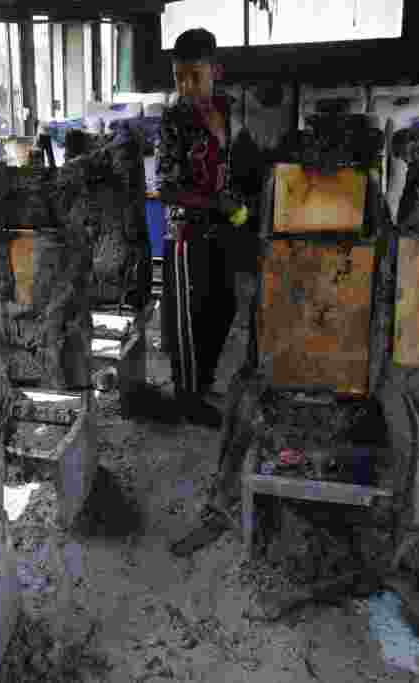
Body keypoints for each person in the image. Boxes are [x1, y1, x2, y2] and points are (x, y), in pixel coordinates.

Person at [156, 28, 249, 431]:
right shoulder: (174, 118)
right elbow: (167, 188)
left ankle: (203, 380)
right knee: (188, 319)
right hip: (185, 232)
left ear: (216, 70)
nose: (186, 86)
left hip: (220, 227)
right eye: (179, 77)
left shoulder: (225, 109)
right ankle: (187, 398)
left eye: (195, 75)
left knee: (222, 305)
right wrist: (218, 203)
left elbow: (228, 165)